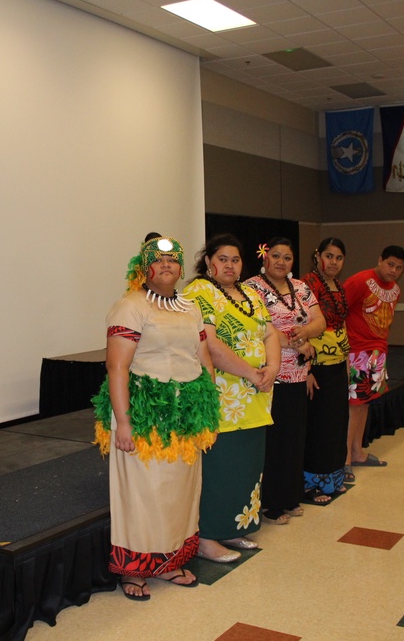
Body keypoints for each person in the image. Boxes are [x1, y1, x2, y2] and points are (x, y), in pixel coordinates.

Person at [91, 234, 220, 601]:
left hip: (185, 417)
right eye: (158, 261)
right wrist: (125, 422)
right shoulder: (130, 306)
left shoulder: (189, 306)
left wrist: (208, 411)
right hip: (144, 415)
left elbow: (204, 359)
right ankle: (134, 569)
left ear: (181, 268)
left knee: (180, 491)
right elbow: (117, 366)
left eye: (173, 261)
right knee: (143, 495)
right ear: (143, 268)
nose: (166, 265)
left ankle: (171, 560)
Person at [183, 234, 280, 562]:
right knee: (219, 467)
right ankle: (208, 536)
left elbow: (270, 332)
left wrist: (273, 368)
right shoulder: (199, 291)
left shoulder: (252, 293)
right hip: (223, 395)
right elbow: (208, 342)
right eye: (222, 259)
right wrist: (252, 373)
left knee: (246, 464)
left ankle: (232, 528)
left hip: (256, 395)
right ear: (209, 261)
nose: (229, 265)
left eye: (235, 260)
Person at [245, 238, 325, 520]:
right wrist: (294, 342)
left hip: (298, 375)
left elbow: (319, 321)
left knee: (294, 438)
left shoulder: (301, 287)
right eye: (275, 255)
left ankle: (290, 497)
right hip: (270, 375)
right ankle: (271, 503)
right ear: (264, 257)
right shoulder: (251, 288)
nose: (281, 261)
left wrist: (304, 335)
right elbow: (258, 328)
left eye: (287, 257)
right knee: (274, 441)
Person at [344, 244, 404, 478]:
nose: (393, 270)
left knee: (365, 403)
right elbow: (338, 312)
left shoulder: (396, 290)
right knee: (354, 405)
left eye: (399, 268)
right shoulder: (359, 281)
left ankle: (357, 451)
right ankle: (345, 458)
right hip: (356, 352)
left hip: (377, 353)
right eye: (390, 264)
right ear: (380, 260)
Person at [301, 237, 351, 497]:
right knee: (319, 425)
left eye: (339, 258)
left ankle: (333, 478)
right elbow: (300, 323)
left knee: (336, 423)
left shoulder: (338, 285)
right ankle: (313, 483)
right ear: (318, 255)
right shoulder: (307, 284)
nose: (333, 262)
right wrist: (306, 370)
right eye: (329, 256)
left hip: (337, 364)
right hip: (316, 366)